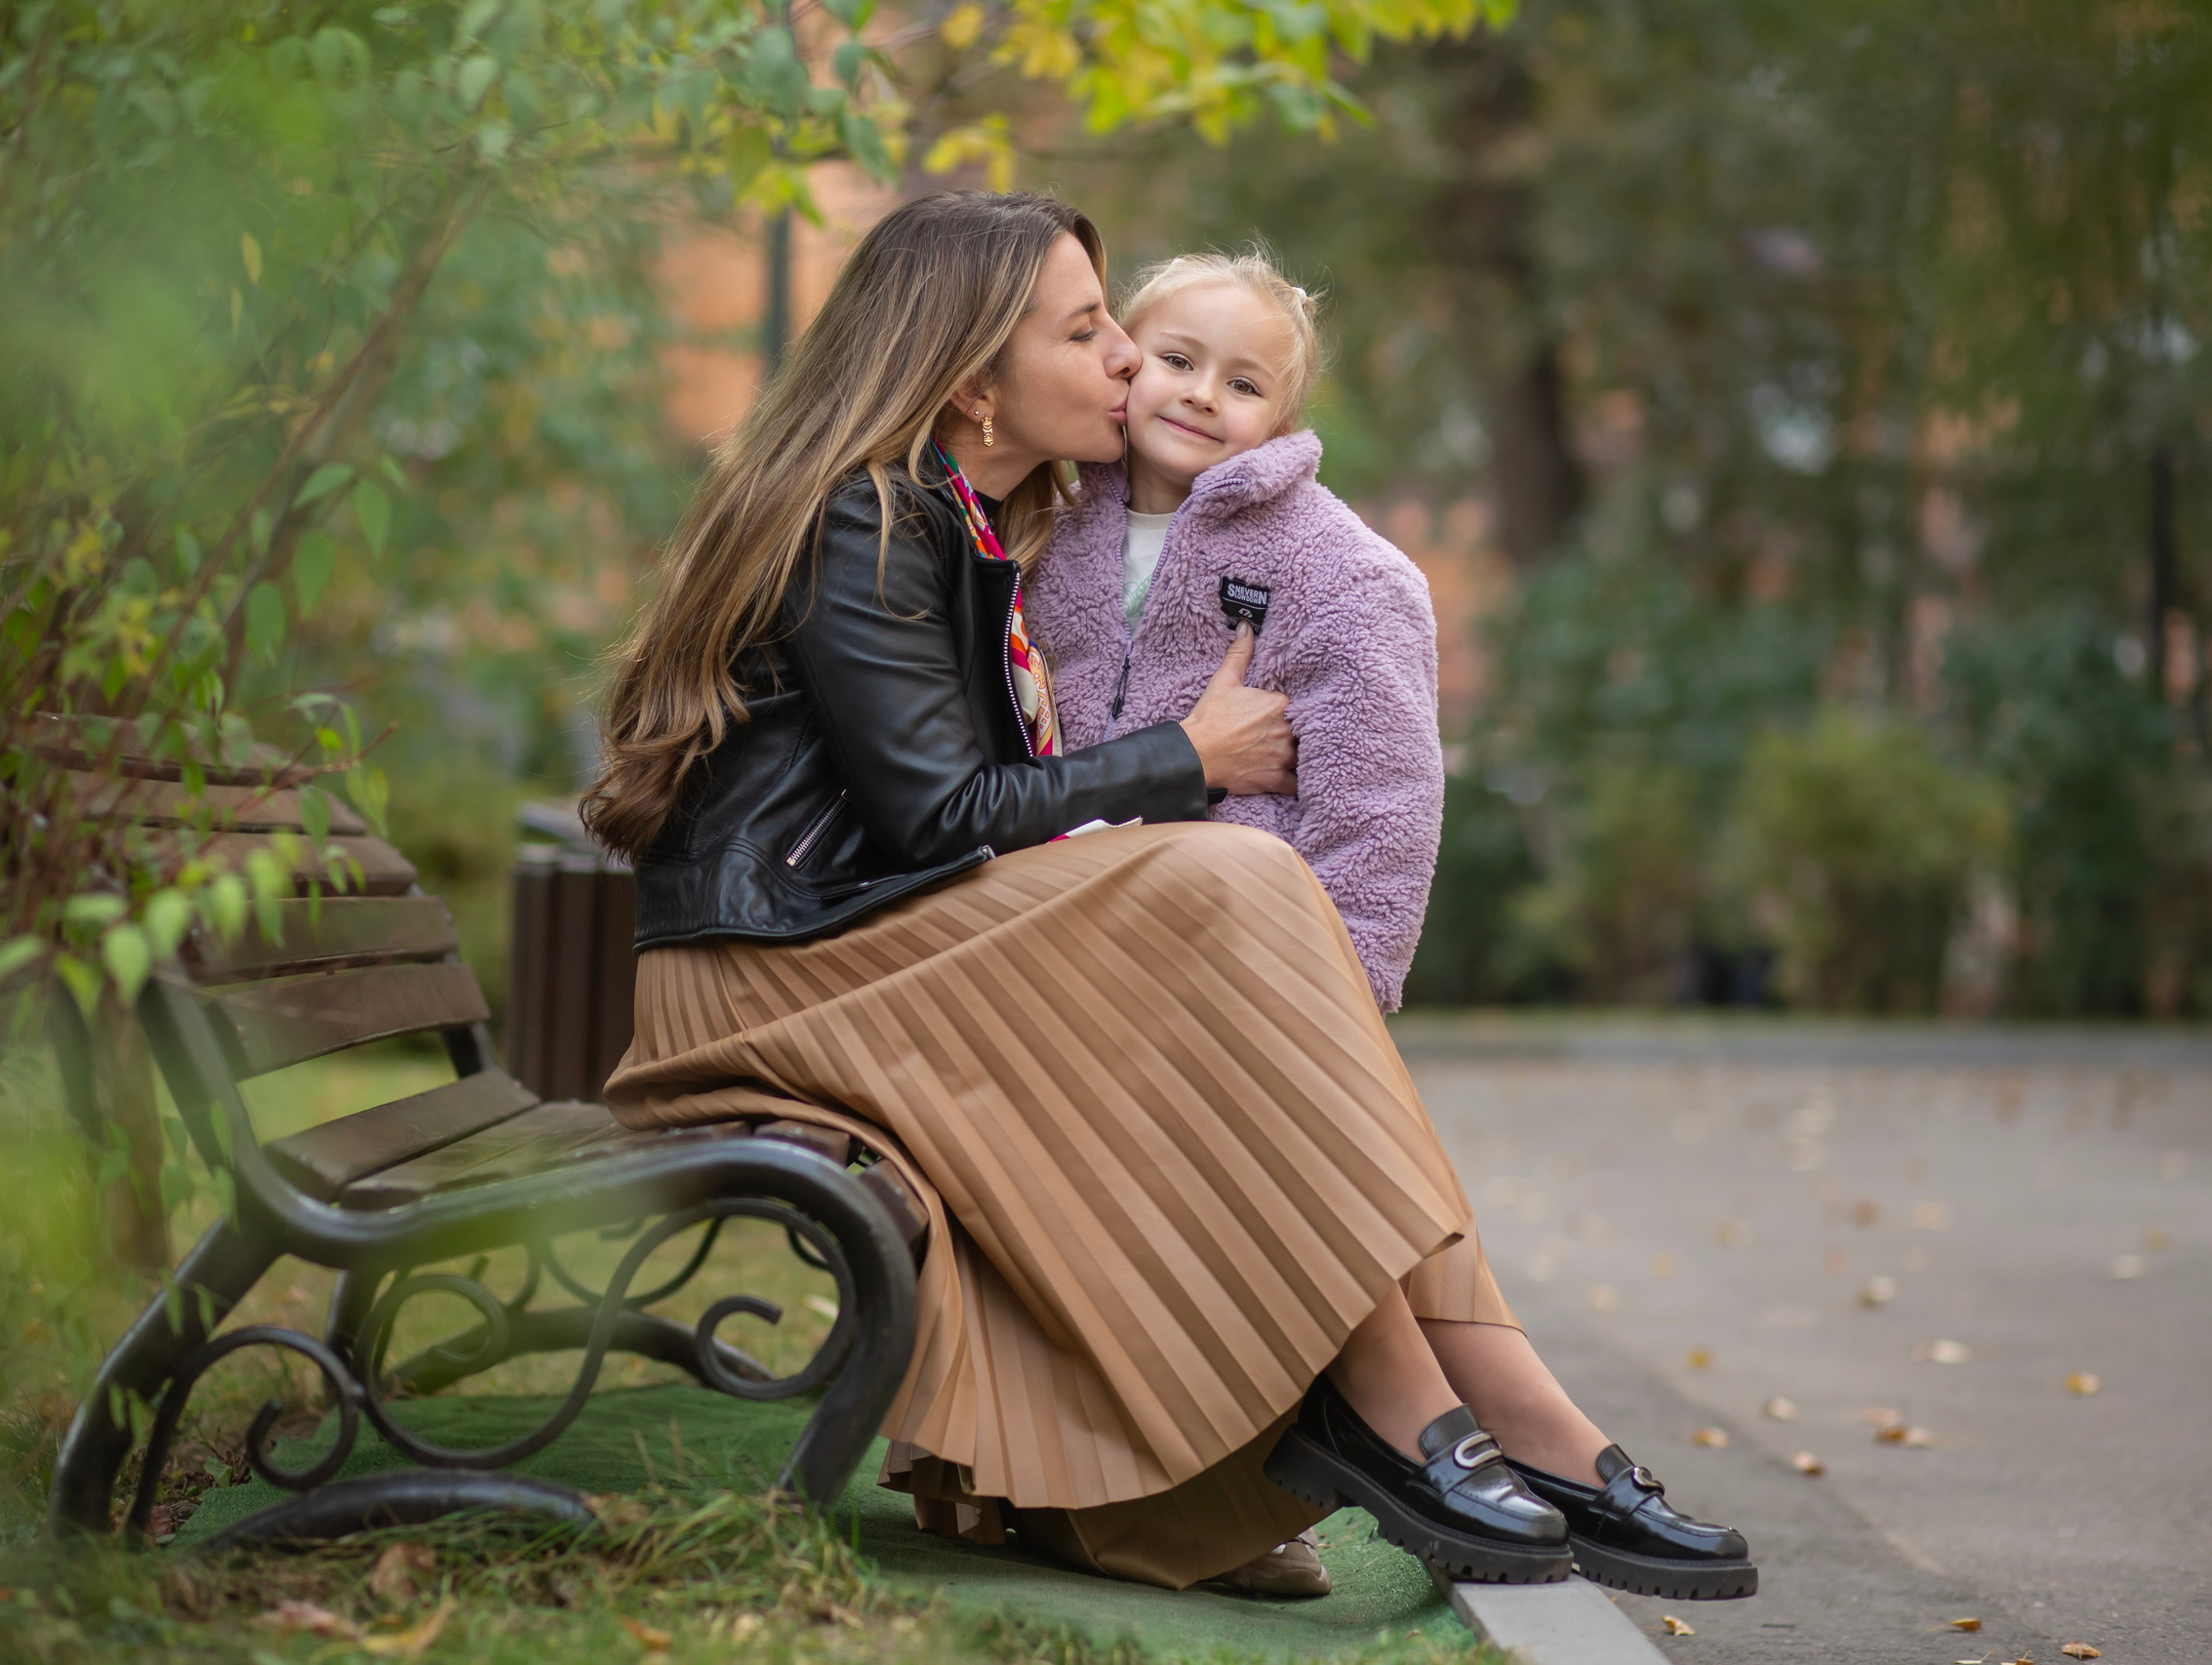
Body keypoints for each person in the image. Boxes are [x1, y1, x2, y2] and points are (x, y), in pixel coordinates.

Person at [584, 190, 1752, 1602]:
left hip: (856, 938)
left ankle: (1455, 1408)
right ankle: (1433, 1401)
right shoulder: (868, 517)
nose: (1131, 366)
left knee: (1229, 927)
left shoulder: (965, 514)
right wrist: (1186, 758)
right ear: (973, 378)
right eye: (1094, 333)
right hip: (777, 971)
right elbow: (939, 814)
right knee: (1235, 879)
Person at [1025, 248, 1437, 1014]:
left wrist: (1343, 990)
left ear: (1280, 420)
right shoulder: (1042, 532)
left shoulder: (1340, 572)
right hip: (1054, 942)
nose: (1204, 395)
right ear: (1123, 365)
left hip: (1237, 957)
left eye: (1243, 384)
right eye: (1177, 360)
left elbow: (1382, 803)